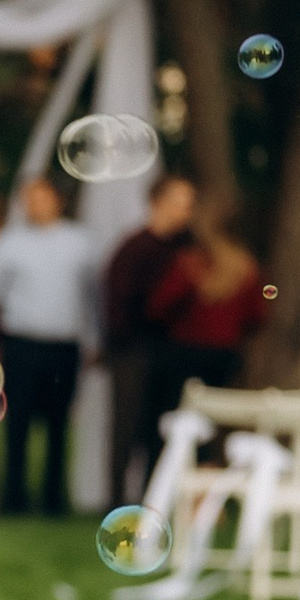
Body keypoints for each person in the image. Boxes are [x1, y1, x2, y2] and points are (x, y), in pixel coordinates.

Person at [0, 170, 96, 515]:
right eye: (29, 198)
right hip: (21, 344)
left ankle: (54, 500)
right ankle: (14, 499)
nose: (33, 204)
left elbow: (91, 298)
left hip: (64, 346)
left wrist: (94, 340)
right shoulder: (9, 243)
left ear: (58, 200)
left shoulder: (80, 242)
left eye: (40, 196)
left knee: (58, 424)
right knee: (17, 422)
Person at [102, 168, 201, 499]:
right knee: (127, 429)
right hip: (133, 352)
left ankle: (152, 500)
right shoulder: (134, 249)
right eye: (180, 203)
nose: (186, 212)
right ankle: (116, 502)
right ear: (158, 203)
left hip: (173, 354)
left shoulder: (189, 249)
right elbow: (118, 306)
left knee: (161, 428)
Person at [144, 209, 268, 430]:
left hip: (184, 354)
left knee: (176, 422)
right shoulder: (246, 268)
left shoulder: (190, 264)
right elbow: (257, 316)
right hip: (225, 356)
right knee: (214, 421)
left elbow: (159, 306)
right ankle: (209, 461)